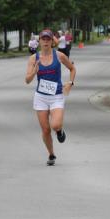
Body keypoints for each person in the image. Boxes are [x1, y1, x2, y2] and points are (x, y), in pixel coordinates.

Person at [25, 28, 77, 166]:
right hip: (41, 97)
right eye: (43, 39)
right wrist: (34, 71)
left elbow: (72, 69)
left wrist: (70, 83)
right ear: (39, 42)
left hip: (56, 96)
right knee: (46, 130)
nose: (46, 41)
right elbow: (27, 80)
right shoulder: (33, 58)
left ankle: (59, 131)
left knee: (55, 125)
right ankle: (51, 154)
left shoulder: (59, 55)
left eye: (48, 39)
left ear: (52, 42)